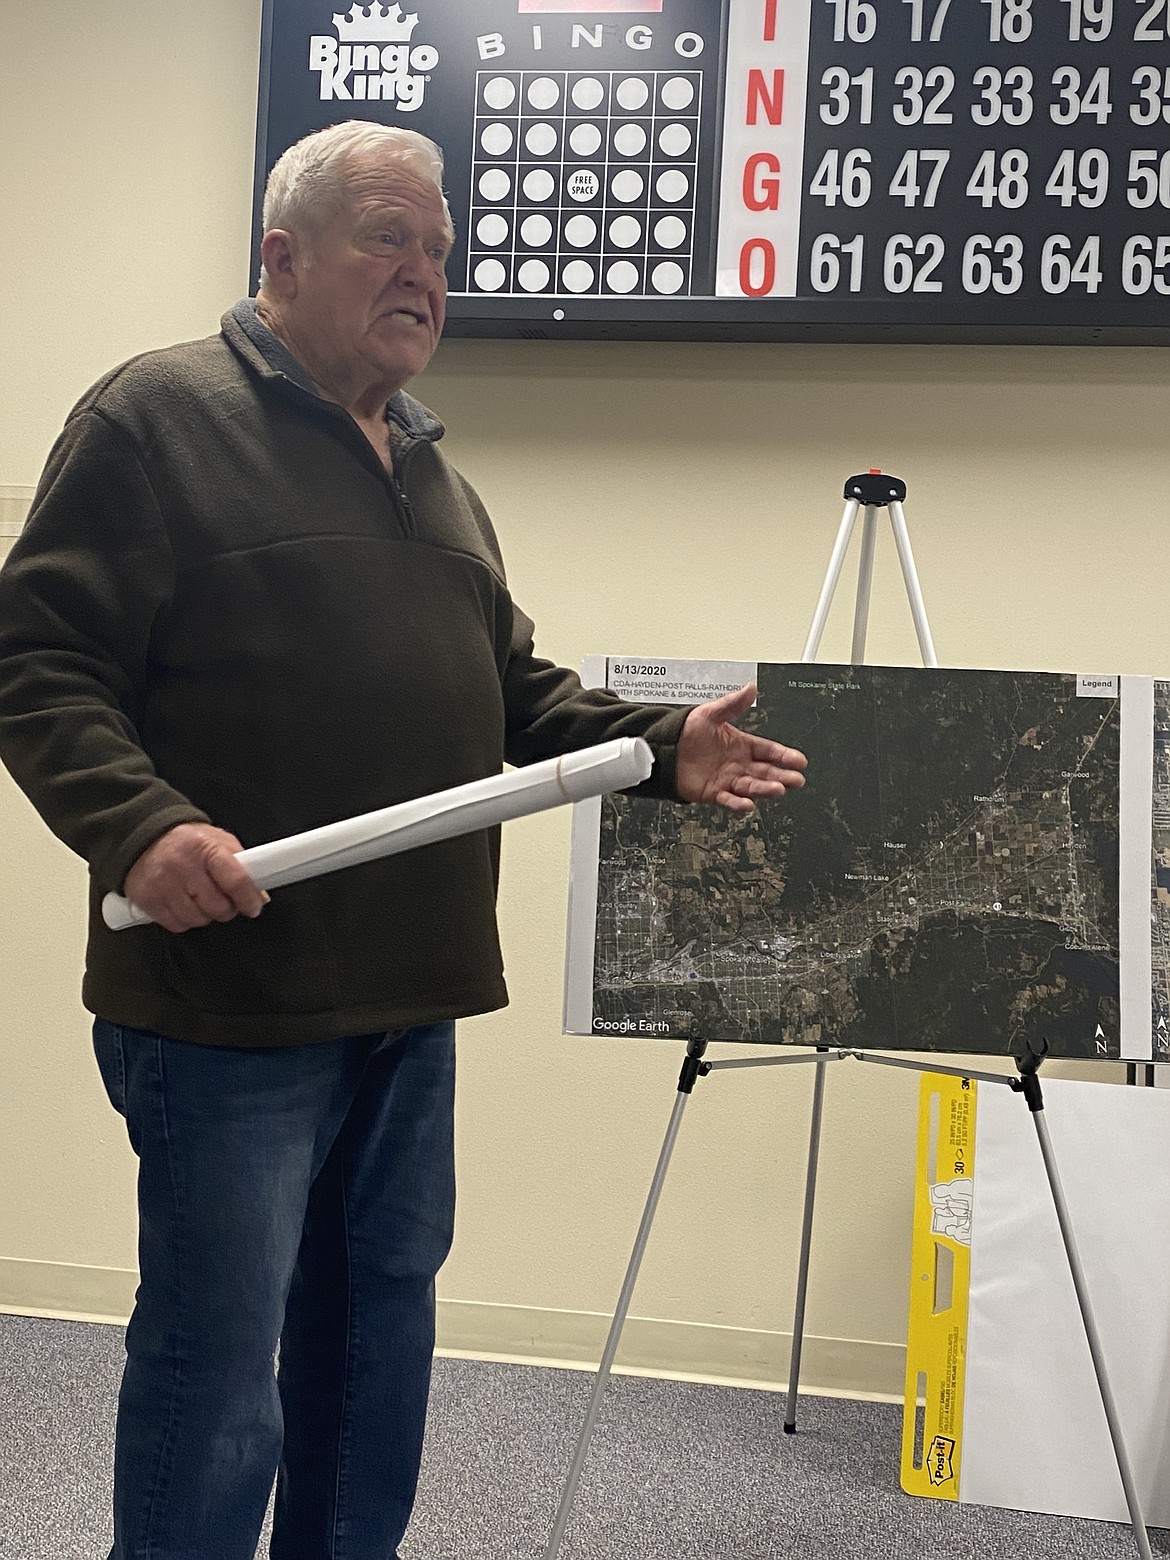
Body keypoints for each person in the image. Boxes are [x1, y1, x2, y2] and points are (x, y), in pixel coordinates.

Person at [0, 122, 807, 1560]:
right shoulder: (151, 420)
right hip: (225, 1010)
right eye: (389, 236)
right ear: (280, 257)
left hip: (408, 1005)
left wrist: (654, 748)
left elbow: (512, 695)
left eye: (438, 246)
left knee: (373, 1362)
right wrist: (136, 828)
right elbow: (35, 660)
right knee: (217, 1370)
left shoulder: (435, 476)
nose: (425, 271)